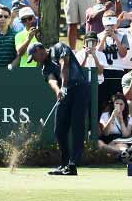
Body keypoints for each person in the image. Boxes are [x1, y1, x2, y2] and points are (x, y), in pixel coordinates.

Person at [30, 41, 91, 176]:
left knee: (77, 127)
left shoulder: (59, 47)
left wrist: (64, 85)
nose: (35, 61)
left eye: (34, 57)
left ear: (40, 50)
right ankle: (64, 164)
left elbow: (65, 64)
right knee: (59, 129)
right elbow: (51, 80)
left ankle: (72, 164)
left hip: (79, 88)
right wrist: (58, 90)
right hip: (65, 93)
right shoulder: (44, 67)